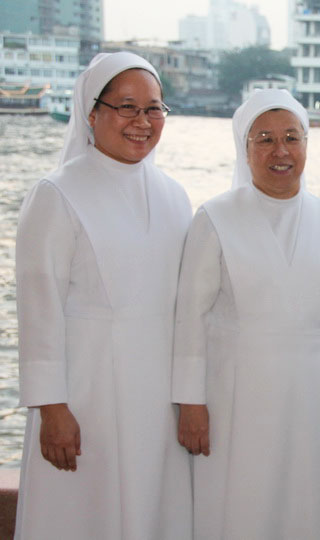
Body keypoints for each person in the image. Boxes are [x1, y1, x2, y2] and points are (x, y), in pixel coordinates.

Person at [171, 89, 320, 539]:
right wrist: (190, 402)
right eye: (264, 139)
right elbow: (190, 318)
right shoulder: (215, 217)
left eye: (291, 138)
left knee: (307, 504)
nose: (280, 151)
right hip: (235, 393)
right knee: (242, 505)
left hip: (314, 394)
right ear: (244, 149)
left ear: (306, 144)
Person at [14, 52, 192, 539]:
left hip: (158, 401)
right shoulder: (56, 193)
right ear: (91, 113)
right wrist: (51, 408)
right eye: (127, 107)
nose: (142, 122)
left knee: (155, 516)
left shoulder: (176, 196)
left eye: (154, 108)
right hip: (86, 398)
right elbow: (38, 308)